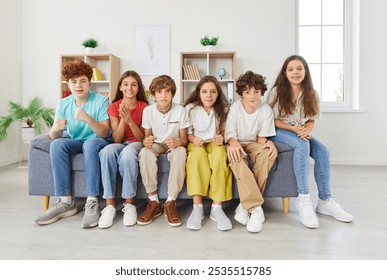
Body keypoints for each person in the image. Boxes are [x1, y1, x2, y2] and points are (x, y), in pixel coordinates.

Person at [268, 55, 354, 229]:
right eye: (291, 69)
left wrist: (305, 130)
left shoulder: (312, 94)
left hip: (300, 131)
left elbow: (311, 119)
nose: (295, 72)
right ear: (285, 73)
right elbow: (271, 120)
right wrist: (294, 130)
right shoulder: (276, 92)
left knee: (323, 152)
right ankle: (303, 198)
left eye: (299, 68)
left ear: (305, 71)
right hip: (279, 131)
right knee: (302, 145)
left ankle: (325, 201)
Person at [35, 60, 110, 228]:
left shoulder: (101, 101)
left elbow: (105, 132)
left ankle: (92, 201)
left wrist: (88, 119)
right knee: (57, 145)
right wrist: (55, 129)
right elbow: (55, 135)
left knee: (90, 145)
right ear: (68, 83)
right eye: (74, 81)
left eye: (83, 81)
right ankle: (66, 201)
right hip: (76, 140)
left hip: (97, 140)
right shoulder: (63, 103)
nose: (78, 85)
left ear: (89, 82)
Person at [225, 70, 278, 233]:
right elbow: (230, 136)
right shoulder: (235, 108)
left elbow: (261, 138)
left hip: (254, 142)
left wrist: (269, 143)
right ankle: (256, 209)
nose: (252, 96)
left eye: (256, 92)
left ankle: (244, 205)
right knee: (235, 157)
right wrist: (232, 144)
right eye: (247, 92)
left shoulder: (266, 110)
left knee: (267, 155)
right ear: (242, 94)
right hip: (237, 142)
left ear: (261, 92)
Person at [98, 71, 148, 229]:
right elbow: (117, 139)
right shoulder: (113, 107)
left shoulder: (144, 107)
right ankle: (110, 205)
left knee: (127, 153)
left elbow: (142, 139)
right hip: (121, 142)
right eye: (125, 84)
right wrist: (122, 121)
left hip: (136, 143)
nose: (129, 88)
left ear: (138, 88)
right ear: (120, 87)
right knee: (107, 151)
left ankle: (129, 204)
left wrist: (130, 121)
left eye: (134, 84)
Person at [137, 75, 189, 227]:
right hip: (157, 144)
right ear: (154, 94)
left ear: (173, 94)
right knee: (144, 153)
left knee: (180, 152)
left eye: (167, 91)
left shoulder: (181, 110)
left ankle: (170, 202)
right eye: (160, 92)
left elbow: (185, 140)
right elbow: (147, 139)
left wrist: (177, 142)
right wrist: (146, 141)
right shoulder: (148, 111)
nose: (164, 95)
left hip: (174, 144)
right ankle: (153, 202)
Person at [184, 76, 233, 231]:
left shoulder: (224, 109)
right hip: (196, 142)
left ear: (218, 93)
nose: (208, 95)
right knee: (197, 157)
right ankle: (197, 207)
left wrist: (221, 137)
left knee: (220, 156)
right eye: (204, 91)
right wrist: (193, 139)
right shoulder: (190, 108)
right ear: (199, 93)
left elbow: (226, 130)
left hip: (215, 143)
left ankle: (216, 207)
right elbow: (187, 133)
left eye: (212, 92)